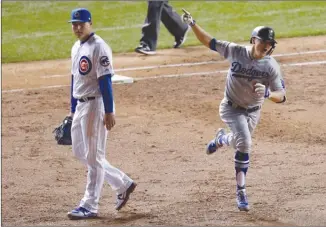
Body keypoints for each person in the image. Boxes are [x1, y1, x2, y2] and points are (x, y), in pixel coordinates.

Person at [181, 9, 286, 212]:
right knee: (245, 143)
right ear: (254, 40)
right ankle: (241, 191)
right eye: (263, 42)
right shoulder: (236, 51)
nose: (266, 46)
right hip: (231, 108)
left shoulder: (271, 66)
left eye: (270, 44)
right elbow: (210, 42)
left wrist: (267, 94)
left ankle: (221, 140)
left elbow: (281, 95)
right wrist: (192, 23)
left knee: (240, 143)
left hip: (253, 111)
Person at [66, 8, 137, 220]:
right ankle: (123, 183)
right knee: (81, 152)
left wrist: (109, 111)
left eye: (81, 24)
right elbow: (74, 80)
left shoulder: (100, 48)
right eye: (74, 24)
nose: (77, 27)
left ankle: (90, 205)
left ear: (90, 23)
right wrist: (71, 110)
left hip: (95, 107)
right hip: (80, 106)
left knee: (93, 157)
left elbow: (105, 81)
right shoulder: (76, 47)